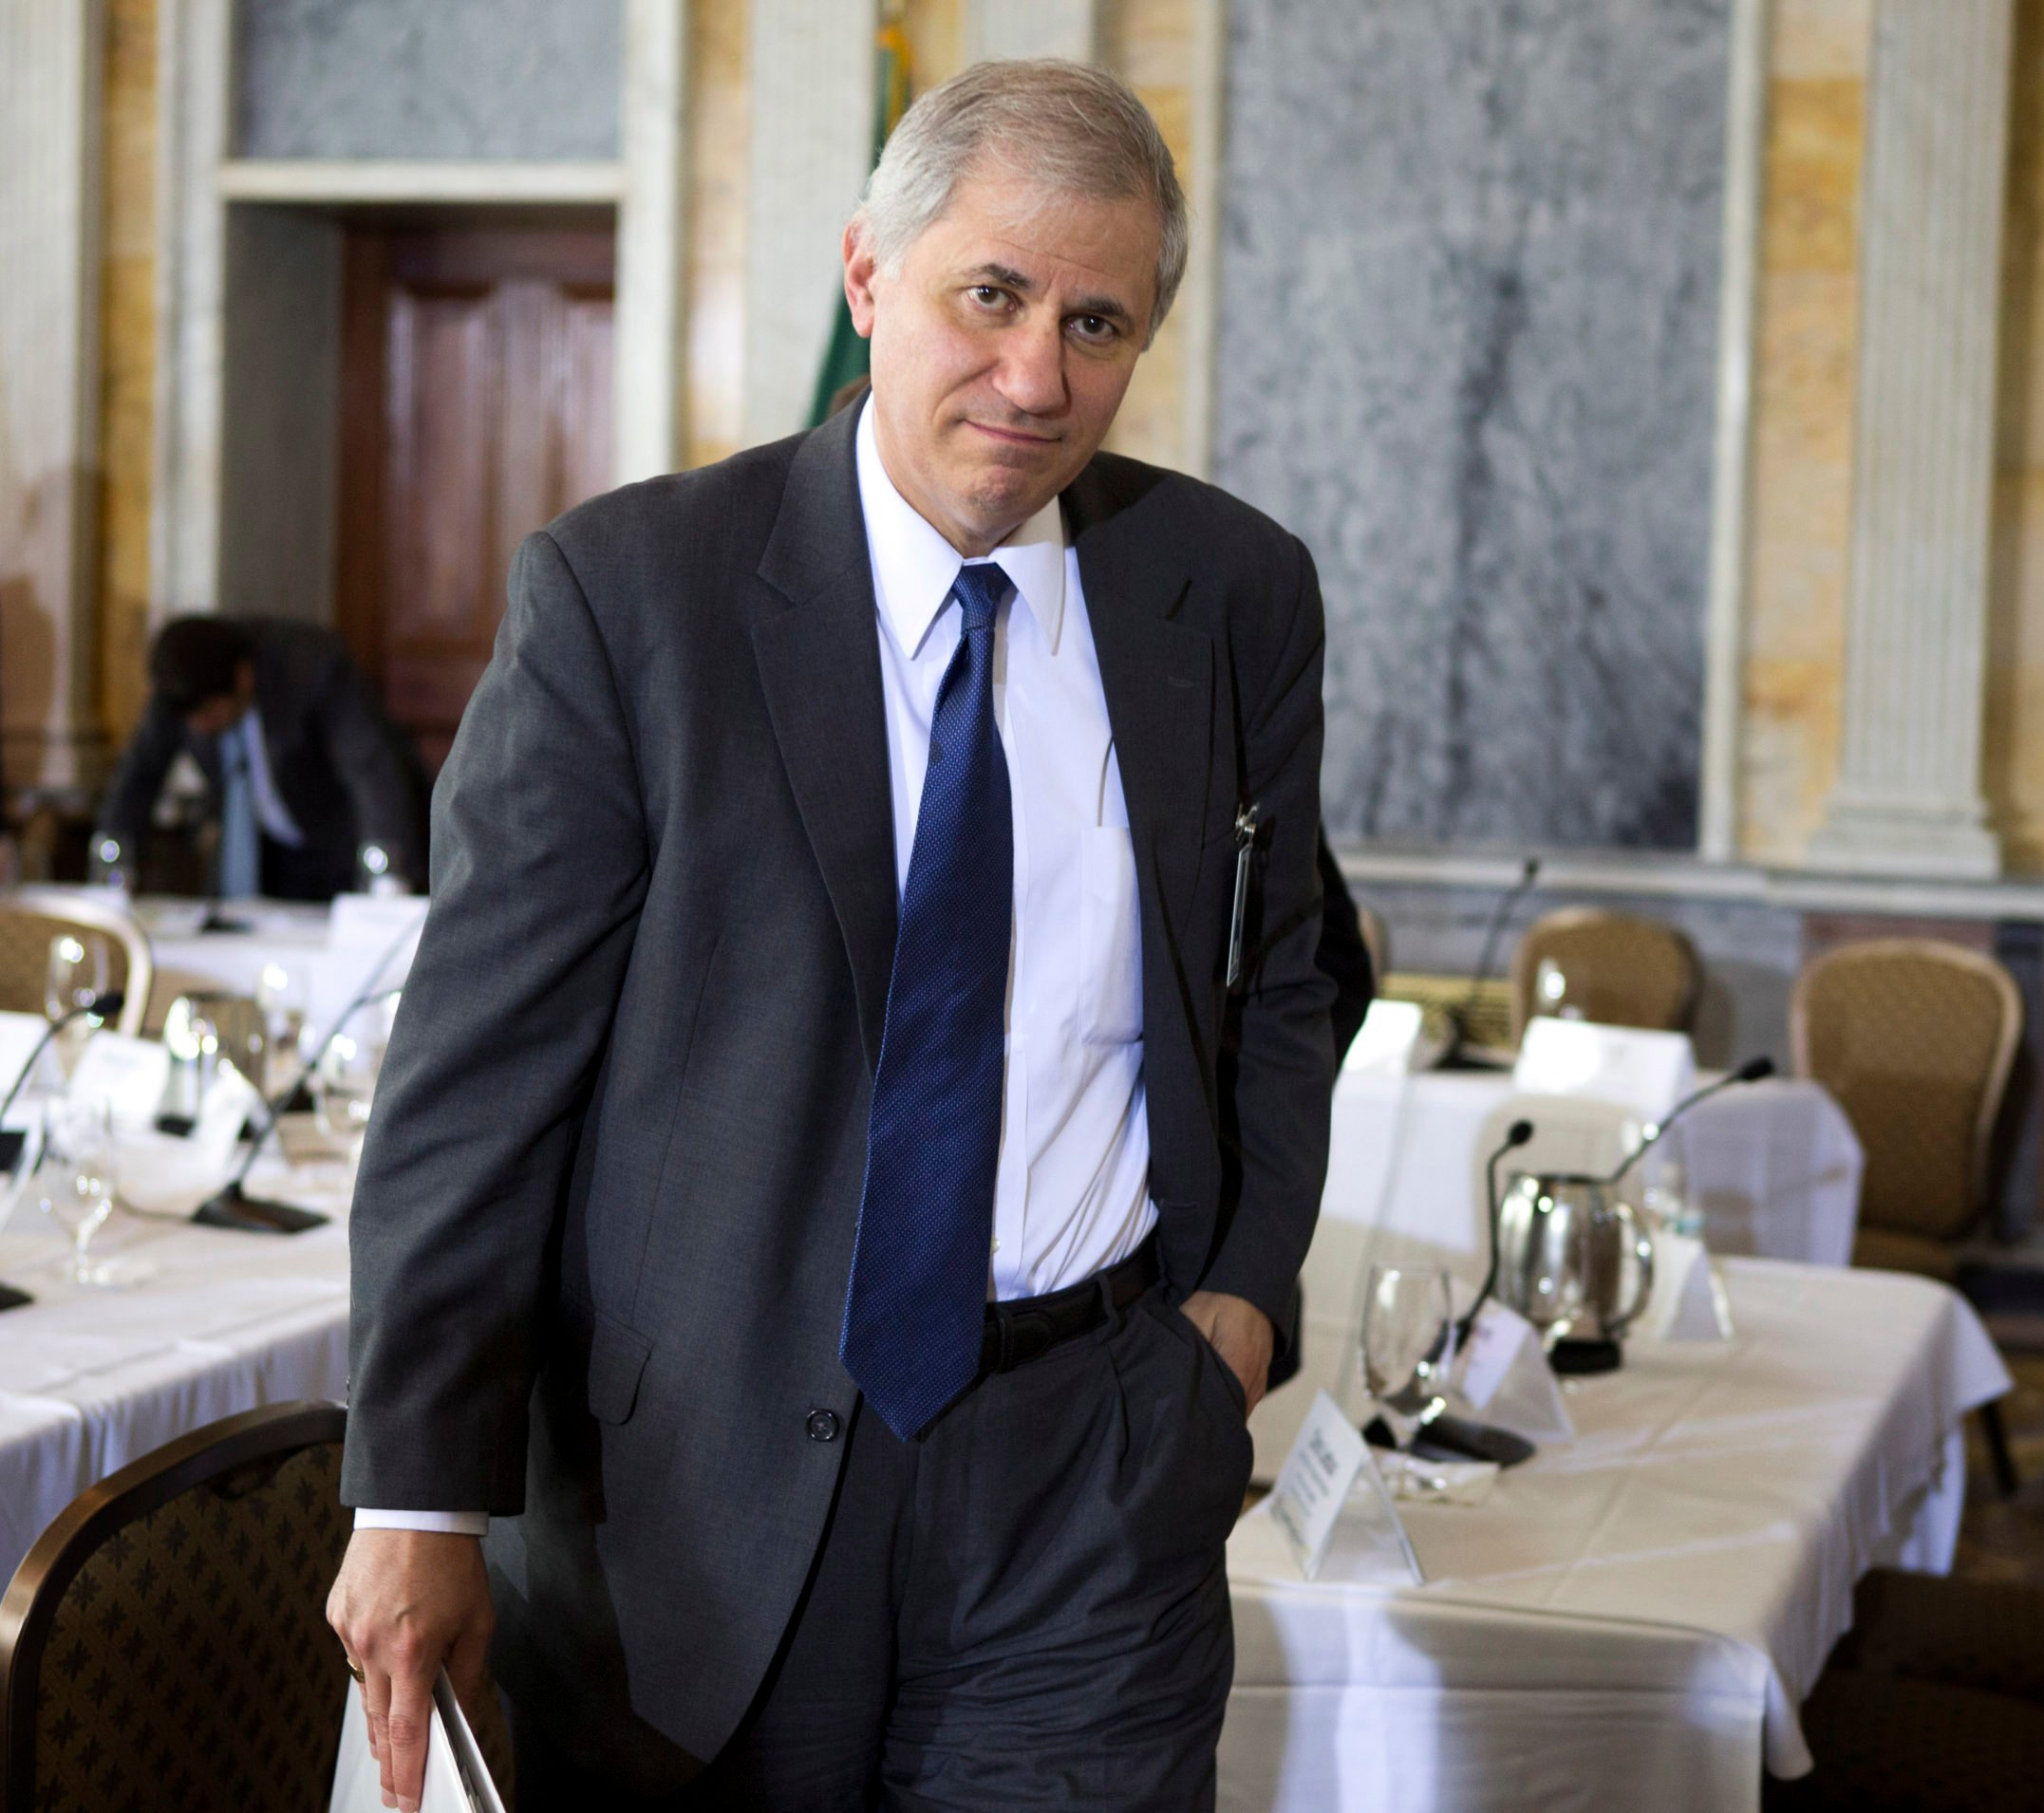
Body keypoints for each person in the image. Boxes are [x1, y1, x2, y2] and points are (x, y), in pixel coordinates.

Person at [328, 59, 1334, 1812]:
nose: (1037, 378)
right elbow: (476, 1084)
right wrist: (417, 1501)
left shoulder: (1228, 591)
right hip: (697, 1493)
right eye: (992, 296)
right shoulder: (630, 599)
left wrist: (1236, 1308)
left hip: (1092, 1471)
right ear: (869, 276)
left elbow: (1293, 976)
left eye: (1097, 322)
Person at [94, 615, 427, 899]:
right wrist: (112, 863)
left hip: (344, 843)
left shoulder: (314, 668)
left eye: (209, 714)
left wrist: (387, 879)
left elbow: (370, 769)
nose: (200, 727)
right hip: (270, 863)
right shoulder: (182, 688)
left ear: (242, 676)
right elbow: (140, 773)